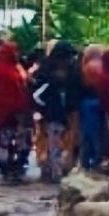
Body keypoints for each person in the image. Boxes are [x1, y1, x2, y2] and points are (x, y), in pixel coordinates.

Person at [33, 41, 79, 183]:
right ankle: (55, 172)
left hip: (67, 114)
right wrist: (45, 108)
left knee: (61, 144)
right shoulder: (47, 73)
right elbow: (37, 95)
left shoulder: (70, 72)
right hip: (54, 115)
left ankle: (59, 169)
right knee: (55, 145)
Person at [0, 42, 31, 183]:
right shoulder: (5, 71)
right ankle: (9, 169)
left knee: (11, 142)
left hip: (10, 112)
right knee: (11, 141)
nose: (17, 54)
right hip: (11, 113)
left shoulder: (5, 68)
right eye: (15, 51)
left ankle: (10, 169)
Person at [79, 45, 106, 170]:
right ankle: (97, 161)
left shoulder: (86, 66)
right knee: (97, 135)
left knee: (86, 135)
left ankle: (85, 161)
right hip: (97, 102)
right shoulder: (101, 65)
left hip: (85, 102)